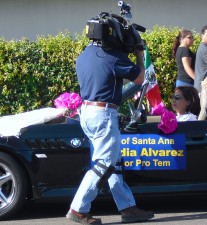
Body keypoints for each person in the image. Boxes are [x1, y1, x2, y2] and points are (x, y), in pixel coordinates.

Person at [66, 40, 154, 224]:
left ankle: (128, 207)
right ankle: (78, 209)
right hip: (103, 113)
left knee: (113, 162)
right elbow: (140, 79)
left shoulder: (84, 55)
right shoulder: (113, 57)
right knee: (105, 164)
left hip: (87, 112)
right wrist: (138, 54)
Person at [194, 25, 207, 93]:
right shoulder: (205, 49)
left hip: (203, 84)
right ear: (202, 36)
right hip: (202, 86)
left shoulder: (206, 47)